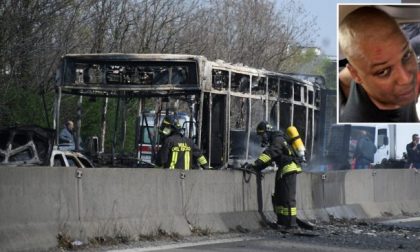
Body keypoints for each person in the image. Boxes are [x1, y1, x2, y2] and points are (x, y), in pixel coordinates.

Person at [339, 6, 419, 122]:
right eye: (383, 72)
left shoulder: (363, 69)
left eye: (406, 56)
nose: (406, 79)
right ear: (356, 75)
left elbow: (342, 78)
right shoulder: (360, 125)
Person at [247, 121, 302, 230]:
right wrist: (256, 168)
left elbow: (270, 153)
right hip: (283, 170)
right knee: (279, 197)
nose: (262, 138)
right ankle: (282, 221)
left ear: (267, 132)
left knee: (287, 198)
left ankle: (291, 224)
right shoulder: (276, 139)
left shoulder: (277, 140)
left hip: (289, 169)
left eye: (262, 135)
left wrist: (256, 164)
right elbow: (269, 160)